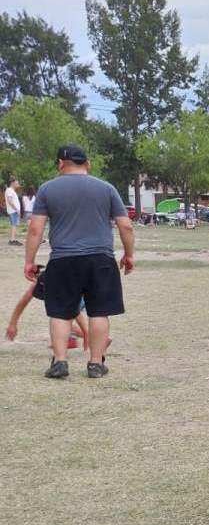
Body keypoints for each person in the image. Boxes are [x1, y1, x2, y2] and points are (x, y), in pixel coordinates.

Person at [24, 144, 134, 379]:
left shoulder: (47, 189)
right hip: (101, 259)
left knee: (61, 312)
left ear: (60, 164)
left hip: (63, 260)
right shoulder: (107, 188)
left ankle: (60, 362)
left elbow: (35, 229)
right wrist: (129, 254)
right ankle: (95, 363)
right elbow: (126, 225)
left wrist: (29, 261)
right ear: (88, 164)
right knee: (99, 312)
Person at [6, 264, 90, 350]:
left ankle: (96, 336)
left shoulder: (48, 281)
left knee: (60, 323)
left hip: (80, 294)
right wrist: (13, 324)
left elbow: (73, 310)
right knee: (62, 323)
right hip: (74, 294)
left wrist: (86, 332)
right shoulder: (44, 280)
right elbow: (23, 301)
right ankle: (77, 334)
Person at [6, 177, 21, 245]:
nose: (17, 184)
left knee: (14, 225)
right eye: (16, 183)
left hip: (14, 211)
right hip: (13, 211)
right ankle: (12, 240)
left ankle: (13, 239)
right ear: (12, 183)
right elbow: (10, 201)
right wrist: (16, 209)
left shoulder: (11, 190)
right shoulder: (9, 190)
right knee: (14, 225)